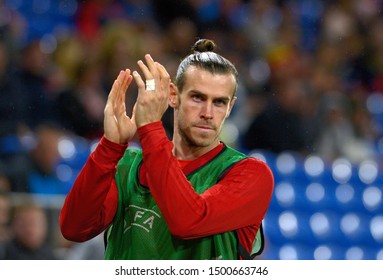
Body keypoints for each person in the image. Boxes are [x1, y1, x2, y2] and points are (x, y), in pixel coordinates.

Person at [60, 39, 274, 260]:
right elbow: (74, 229)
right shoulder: (128, 164)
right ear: (173, 95)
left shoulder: (251, 174)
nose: (208, 113)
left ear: (230, 107)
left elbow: (189, 220)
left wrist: (151, 128)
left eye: (219, 102)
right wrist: (110, 147)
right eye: (197, 97)